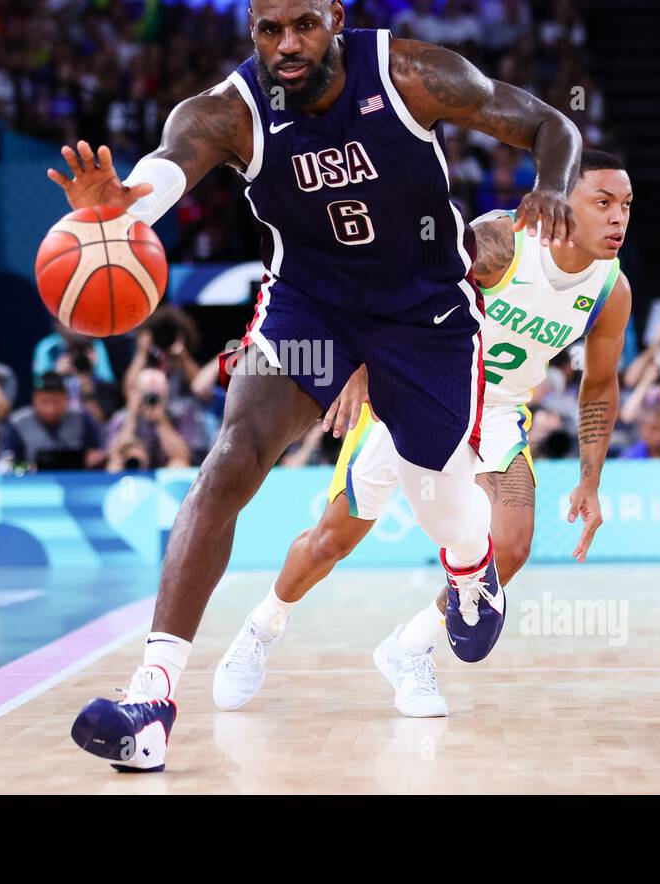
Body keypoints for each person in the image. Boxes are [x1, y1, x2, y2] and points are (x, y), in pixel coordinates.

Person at [55, 0, 582, 771]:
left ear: (336, 16)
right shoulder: (232, 111)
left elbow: (554, 125)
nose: (288, 43)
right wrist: (127, 203)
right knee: (230, 460)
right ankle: (152, 697)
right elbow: (172, 160)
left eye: (304, 23)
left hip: (426, 312)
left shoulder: (410, 73)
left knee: (441, 501)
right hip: (315, 308)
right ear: (253, 34)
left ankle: (471, 568)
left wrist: (551, 184)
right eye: (270, 30)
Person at [213, 151, 632, 716]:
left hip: (499, 410)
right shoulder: (505, 242)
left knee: (509, 546)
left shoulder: (611, 289)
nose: (617, 218)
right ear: (562, 201)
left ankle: (409, 649)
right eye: (602, 203)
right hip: (419, 385)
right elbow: (396, 280)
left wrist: (590, 478)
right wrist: (358, 367)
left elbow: (599, 384)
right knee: (333, 539)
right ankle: (263, 626)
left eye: (625, 205)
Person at [5, 371, 106, 470]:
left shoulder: (82, 418)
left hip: (76, 478)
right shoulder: (19, 421)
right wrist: (26, 467)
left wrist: (95, 458)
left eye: (56, 402)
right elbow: (7, 463)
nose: (51, 409)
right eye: (44, 402)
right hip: (33, 482)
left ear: (66, 399)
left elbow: (99, 451)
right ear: (34, 399)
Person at [104, 368, 192, 471]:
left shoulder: (177, 415)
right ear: (136, 394)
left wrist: (162, 421)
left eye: (156, 396)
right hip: (134, 469)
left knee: (179, 464)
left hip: (163, 474)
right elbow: (115, 453)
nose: (151, 400)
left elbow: (182, 456)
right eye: (147, 394)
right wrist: (132, 417)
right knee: (114, 466)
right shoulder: (121, 417)